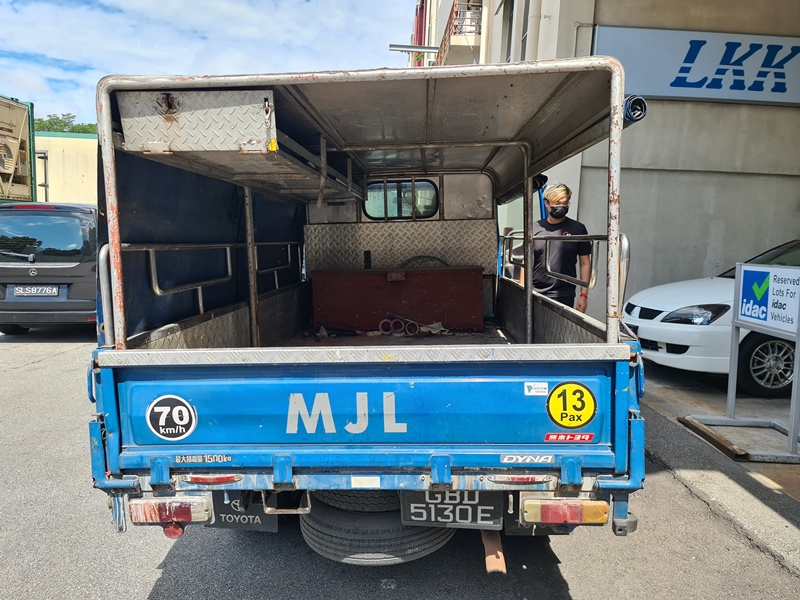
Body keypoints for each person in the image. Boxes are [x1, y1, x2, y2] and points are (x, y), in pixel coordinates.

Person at [531, 183, 591, 312]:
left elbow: (585, 263)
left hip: (564, 293)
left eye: (565, 203)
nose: (561, 207)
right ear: (546, 203)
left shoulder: (578, 229)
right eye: (557, 203)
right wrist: (522, 290)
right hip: (535, 291)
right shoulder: (534, 228)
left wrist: (584, 295)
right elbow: (526, 261)